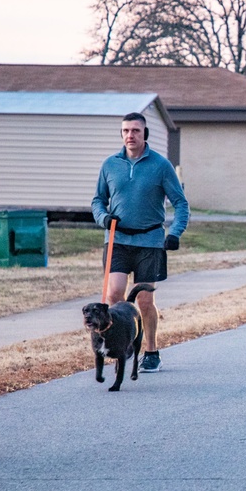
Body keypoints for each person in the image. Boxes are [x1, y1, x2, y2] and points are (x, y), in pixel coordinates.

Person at [91, 112, 189, 372]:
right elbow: (98, 200)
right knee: (114, 294)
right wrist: (103, 217)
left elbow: (180, 203)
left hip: (150, 240)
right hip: (117, 238)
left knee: (144, 300)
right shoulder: (110, 164)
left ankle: (152, 351)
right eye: (125, 131)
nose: (130, 135)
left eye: (135, 130)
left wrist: (175, 232)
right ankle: (117, 343)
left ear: (145, 134)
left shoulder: (160, 165)